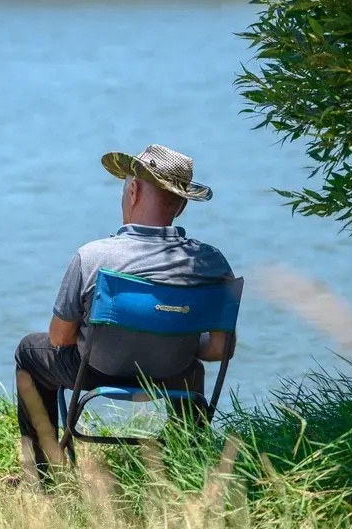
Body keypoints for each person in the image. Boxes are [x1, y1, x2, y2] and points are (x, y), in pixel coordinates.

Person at [14, 144, 236, 483]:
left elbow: (60, 338)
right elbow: (220, 351)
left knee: (30, 350)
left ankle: (41, 478)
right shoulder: (210, 262)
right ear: (182, 204)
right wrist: (175, 339)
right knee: (191, 369)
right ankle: (186, 467)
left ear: (132, 191)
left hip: (95, 372)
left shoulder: (94, 257)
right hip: (171, 374)